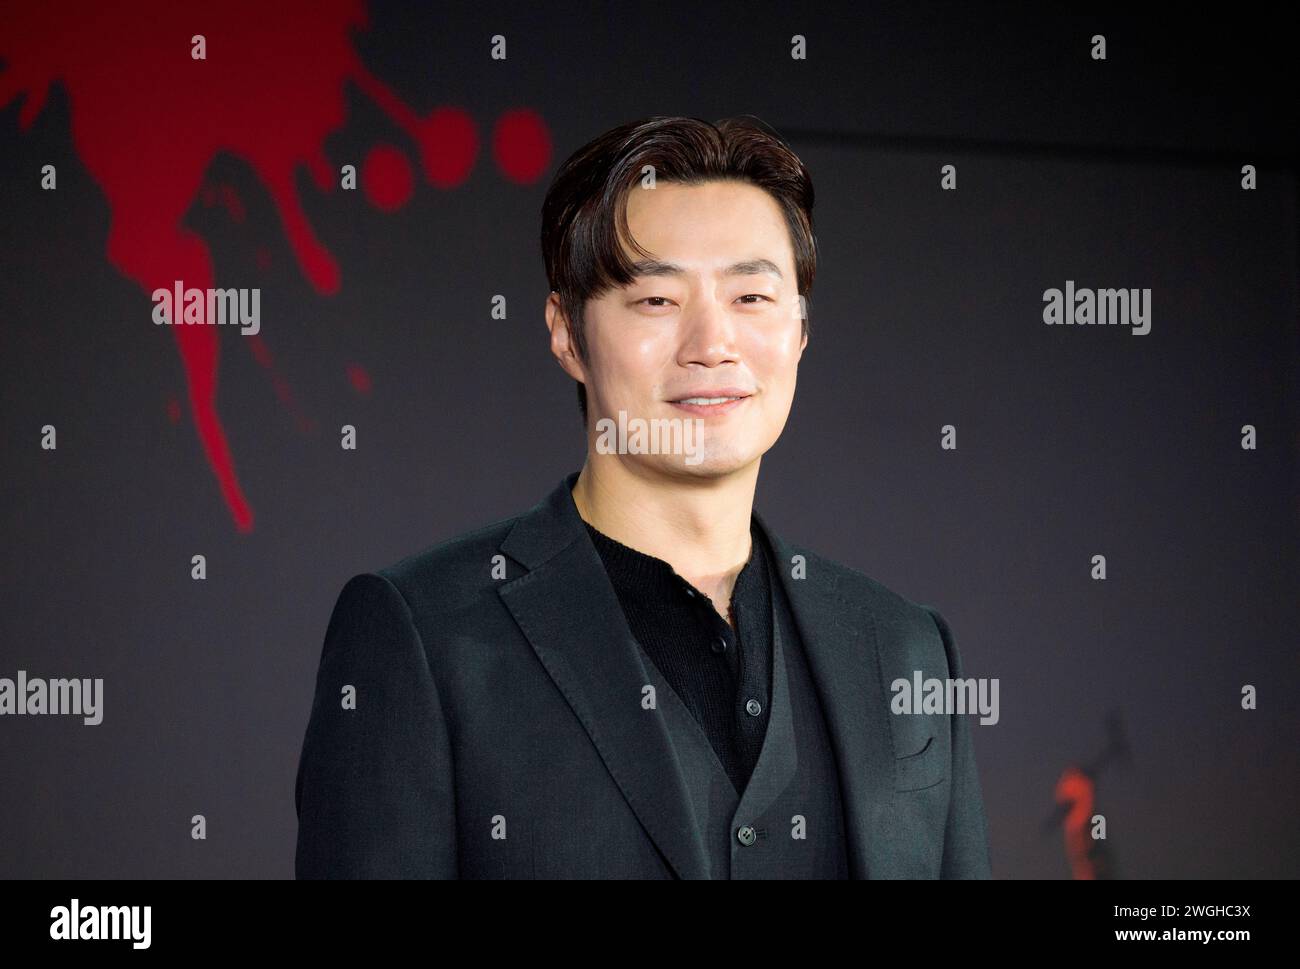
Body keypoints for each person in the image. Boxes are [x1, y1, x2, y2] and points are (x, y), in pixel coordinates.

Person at [294, 115, 991, 879]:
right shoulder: (425, 637)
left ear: (799, 330)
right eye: (657, 300)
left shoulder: (904, 645)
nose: (712, 343)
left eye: (752, 296)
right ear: (566, 332)